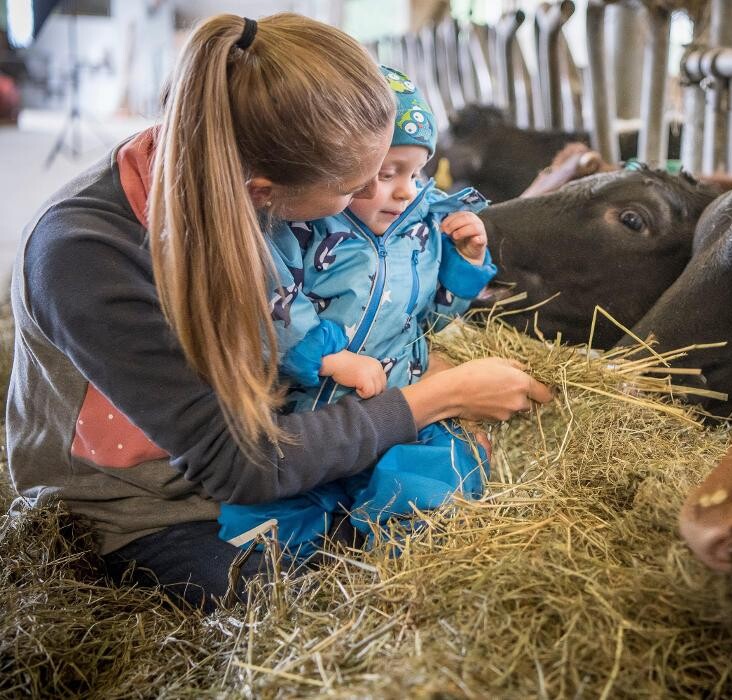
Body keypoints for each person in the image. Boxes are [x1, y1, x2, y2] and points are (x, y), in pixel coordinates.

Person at [5, 14, 552, 612]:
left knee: (419, 518)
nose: (385, 195)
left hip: (280, 429)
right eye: (356, 187)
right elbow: (240, 463)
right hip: (146, 500)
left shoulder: (233, 175)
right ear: (263, 192)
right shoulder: (88, 255)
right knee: (317, 599)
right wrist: (438, 399)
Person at [218, 67, 499, 554]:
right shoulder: (301, 221)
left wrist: (464, 265)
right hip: (306, 412)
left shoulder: (424, 228)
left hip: (401, 406)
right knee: (267, 520)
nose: (406, 190)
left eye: (415, 173)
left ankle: (394, 552)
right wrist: (329, 358)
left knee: (444, 469)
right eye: (386, 173)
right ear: (343, 166)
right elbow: (267, 294)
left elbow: (431, 321)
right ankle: (322, 557)